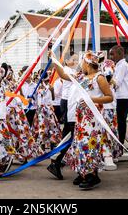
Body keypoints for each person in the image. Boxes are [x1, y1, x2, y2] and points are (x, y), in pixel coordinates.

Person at [48, 50, 113, 190]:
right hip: (81, 118)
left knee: (89, 145)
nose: (80, 65)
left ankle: (92, 175)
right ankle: (84, 172)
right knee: (80, 146)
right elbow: (64, 75)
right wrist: (55, 61)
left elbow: (109, 97)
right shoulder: (81, 77)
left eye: (82, 62)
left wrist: (92, 99)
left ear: (88, 63)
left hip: (93, 120)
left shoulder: (99, 78)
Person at [109, 46, 128, 144]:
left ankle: (120, 143)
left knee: (121, 121)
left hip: (123, 96)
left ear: (120, 54)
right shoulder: (118, 65)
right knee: (118, 120)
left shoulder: (122, 65)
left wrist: (107, 77)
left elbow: (117, 82)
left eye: (112, 54)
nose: (111, 57)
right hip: (120, 96)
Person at [101, 59, 122, 170]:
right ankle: (108, 154)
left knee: (109, 132)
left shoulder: (111, 84)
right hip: (107, 109)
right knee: (108, 132)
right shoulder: (106, 83)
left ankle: (111, 154)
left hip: (109, 110)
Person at [32, 74, 62, 153]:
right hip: (40, 111)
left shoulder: (50, 87)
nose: (47, 82)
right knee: (42, 129)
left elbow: (53, 98)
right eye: (45, 80)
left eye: (47, 80)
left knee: (51, 127)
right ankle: (41, 147)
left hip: (49, 110)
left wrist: (52, 90)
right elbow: (35, 98)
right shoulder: (38, 87)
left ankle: (52, 146)